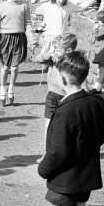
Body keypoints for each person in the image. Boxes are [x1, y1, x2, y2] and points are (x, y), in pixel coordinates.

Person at [37, 50, 104, 206]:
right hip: (87, 169)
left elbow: (58, 151)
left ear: (64, 79)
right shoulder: (96, 102)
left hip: (68, 174)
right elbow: (102, 136)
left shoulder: (65, 111)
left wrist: (43, 168)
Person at [0, 0, 30, 106]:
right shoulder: (2, 6)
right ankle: (2, 89)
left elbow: (28, 23)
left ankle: (11, 88)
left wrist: (32, 40)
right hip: (6, 38)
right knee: (5, 67)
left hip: (20, 37)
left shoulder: (24, 6)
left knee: (15, 67)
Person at [40, 33, 79, 162]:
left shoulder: (71, 63)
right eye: (54, 48)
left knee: (65, 128)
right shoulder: (53, 58)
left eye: (58, 49)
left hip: (66, 97)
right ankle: (48, 154)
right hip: (52, 95)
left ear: (68, 50)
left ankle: (67, 152)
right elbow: (39, 58)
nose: (55, 51)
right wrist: (50, 52)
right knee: (48, 125)